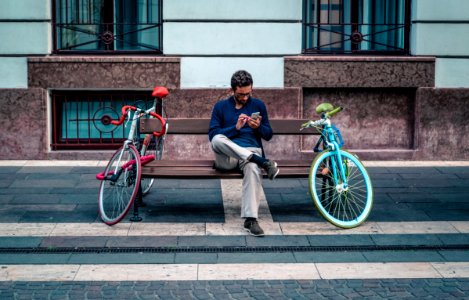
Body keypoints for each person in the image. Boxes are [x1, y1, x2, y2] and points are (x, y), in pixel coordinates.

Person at [208, 70, 279, 237]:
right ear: (232, 90)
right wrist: (236, 128)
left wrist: (258, 127)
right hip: (227, 157)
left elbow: (268, 135)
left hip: (250, 151)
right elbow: (213, 134)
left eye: (248, 93)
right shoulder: (220, 107)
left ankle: (251, 219)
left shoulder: (258, 105)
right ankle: (261, 161)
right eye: (241, 94)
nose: (245, 97)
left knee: (253, 167)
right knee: (217, 139)